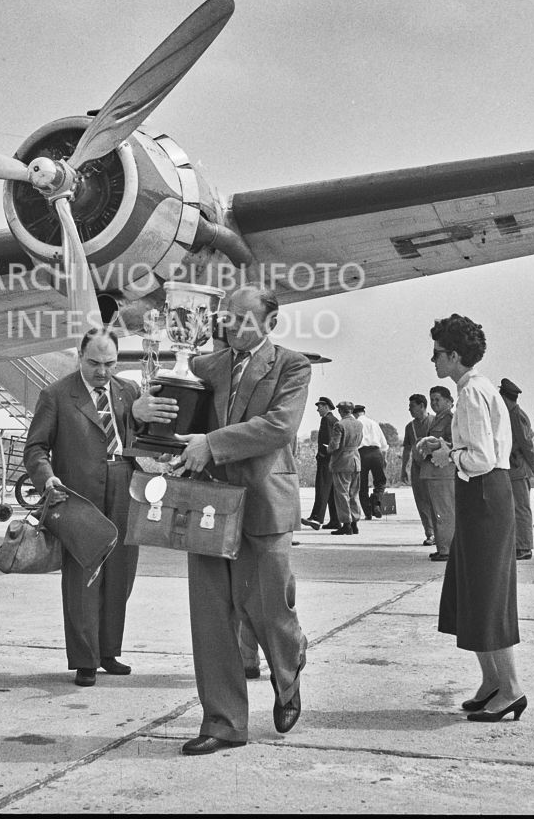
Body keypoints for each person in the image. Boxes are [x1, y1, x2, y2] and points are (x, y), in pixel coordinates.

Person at [170, 284, 311, 756]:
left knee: (270, 611)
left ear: (270, 323)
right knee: (212, 619)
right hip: (210, 502)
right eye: (227, 316)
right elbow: (167, 382)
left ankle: (288, 670)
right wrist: (142, 404)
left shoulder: (292, 365)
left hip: (265, 504)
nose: (231, 324)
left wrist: (212, 443)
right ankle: (224, 723)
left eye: (242, 318)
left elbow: (279, 426)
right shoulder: (208, 365)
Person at [23, 328, 171, 688]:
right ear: (79, 355)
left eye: (109, 363)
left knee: (121, 572)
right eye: (94, 363)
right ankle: (85, 660)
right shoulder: (56, 395)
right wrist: (47, 479)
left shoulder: (129, 391)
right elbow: (35, 448)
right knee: (82, 578)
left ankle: (108, 653)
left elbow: (144, 436)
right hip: (78, 495)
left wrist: (142, 420)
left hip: (124, 487)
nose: (102, 371)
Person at [419, 314, 525, 722]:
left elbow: (480, 458)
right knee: (471, 590)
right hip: (479, 494)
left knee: (487, 593)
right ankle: (492, 681)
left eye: (438, 354)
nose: (433, 360)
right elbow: (480, 448)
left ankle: (512, 688)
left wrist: (449, 455)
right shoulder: (474, 391)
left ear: (456, 356)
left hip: (484, 493)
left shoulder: (471, 394)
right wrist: (447, 444)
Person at [416, 386, 456, 561]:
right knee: (436, 512)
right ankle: (442, 547)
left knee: (444, 512)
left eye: (437, 399)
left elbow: (453, 443)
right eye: (431, 400)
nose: (433, 403)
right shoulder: (437, 419)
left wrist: (434, 445)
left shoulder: (451, 419)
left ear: (448, 401)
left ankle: (447, 549)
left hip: (442, 471)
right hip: (433, 472)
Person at [499, 379, 534, 560]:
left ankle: (524, 547)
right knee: (515, 508)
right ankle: (518, 545)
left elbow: (527, 444)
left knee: (521, 508)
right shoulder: (510, 414)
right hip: (512, 468)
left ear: (505, 397)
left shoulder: (515, 415)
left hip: (518, 469)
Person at [302, 397, 340, 530]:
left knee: (322, 487)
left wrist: (322, 455)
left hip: (326, 459)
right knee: (330, 491)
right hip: (333, 459)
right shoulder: (334, 420)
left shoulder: (327, 420)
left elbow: (329, 441)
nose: (318, 409)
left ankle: (317, 518)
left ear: (326, 406)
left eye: (319, 406)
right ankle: (335, 520)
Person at [401, 394, 434, 545]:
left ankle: (441, 533)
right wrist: (403, 469)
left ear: (422, 406)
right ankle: (430, 533)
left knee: (435, 499)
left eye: (412, 406)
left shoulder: (434, 422)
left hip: (433, 465)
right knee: (421, 500)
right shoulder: (410, 427)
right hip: (417, 466)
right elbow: (407, 449)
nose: (410, 410)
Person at [330, 401, 364, 535]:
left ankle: (346, 523)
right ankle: (355, 522)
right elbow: (360, 441)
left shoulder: (339, 425)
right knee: (354, 493)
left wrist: (328, 449)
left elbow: (335, 445)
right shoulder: (359, 424)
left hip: (342, 461)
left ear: (341, 411)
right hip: (356, 460)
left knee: (342, 493)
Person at [353, 405, 389, 519]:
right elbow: (384, 444)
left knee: (362, 485)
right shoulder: (374, 423)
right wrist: (385, 458)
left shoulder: (356, 424)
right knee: (380, 481)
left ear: (355, 414)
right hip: (376, 452)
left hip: (362, 454)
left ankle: (368, 512)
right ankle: (376, 503)